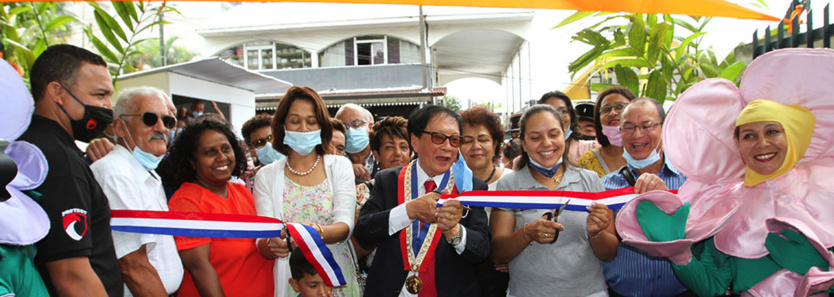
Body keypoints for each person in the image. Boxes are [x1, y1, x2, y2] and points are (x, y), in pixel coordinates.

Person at [617, 49, 834, 296]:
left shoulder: (827, 186)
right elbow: (712, 286)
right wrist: (679, 255)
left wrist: (825, 272)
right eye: (749, 136)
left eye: (772, 131)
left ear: (791, 135)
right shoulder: (724, 206)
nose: (762, 143)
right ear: (738, 145)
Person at [18, 44, 123, 296]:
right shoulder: (59, 161)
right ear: (57, 92)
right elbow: (71, 276)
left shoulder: (29, 146)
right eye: (100, 95)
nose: (108, 107)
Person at [354, 105, 491, 297]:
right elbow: (363, 232)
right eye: (438, 137)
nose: (447, 147)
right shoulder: (389, 180)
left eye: (454, 140)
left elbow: (481, 249)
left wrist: (454, 231)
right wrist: (408, 211)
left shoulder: (469, 187)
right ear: (415, 142)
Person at [490, 104, 616, 297]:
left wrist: (596, 233)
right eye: (535, 138)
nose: (546, 143)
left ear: (564, 135)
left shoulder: (589, 180)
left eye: (554, 134)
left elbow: (609, 254)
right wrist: (527, 233)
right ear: (523, 143)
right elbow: (498, 254)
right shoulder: (509, 185)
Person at [253, 86, 359, 297]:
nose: (303, 129)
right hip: (291, 281)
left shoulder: (340, 166)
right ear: (282, 125)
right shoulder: (266, 176)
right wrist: (273, 245)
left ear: (321, 126)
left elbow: (345, 226)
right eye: (295, 121)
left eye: (311, 122)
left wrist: (313, 233)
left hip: (335, 278)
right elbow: (263, 240)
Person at [159, 116, 275, 296]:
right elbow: (199, 269)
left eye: (226, 149)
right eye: (210, 152)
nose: (222, 157)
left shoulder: (241, 191)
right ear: (192, 161)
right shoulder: (186, 203)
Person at [90, 87, 184, 296]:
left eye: (168, 121)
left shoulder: (145, 173)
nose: (161, 128)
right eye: (149, 119)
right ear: (120, 127)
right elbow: (132, 266)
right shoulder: (116, 174)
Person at [598, 98, 689, 297]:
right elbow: (605, 251)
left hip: (683, 291)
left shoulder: (689, 181)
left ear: (664, 128)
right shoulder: (605, 187)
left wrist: (667, 201)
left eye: (646, 125)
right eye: (628, 127)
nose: (637, 134)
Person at [459, 106, 513, 297]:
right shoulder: (449, 185)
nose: (476, 146)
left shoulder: (512, 182)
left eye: (483, 139)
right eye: (467, 140)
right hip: (462, 279)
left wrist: (516, 257)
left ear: (495, 143)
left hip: (506, 279)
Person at [579, 86, 636, 178]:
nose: (612, 113)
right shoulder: (589, 161)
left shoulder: (652, 152)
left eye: (620, 107)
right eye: (606, 109)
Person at [538, 91, 599, 165]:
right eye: (549, 111)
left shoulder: (591, 149)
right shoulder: (533, 150)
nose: (557, 116)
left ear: (571, 116)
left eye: (562, 111)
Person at [335, 103, 377, 181]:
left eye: (356, 124)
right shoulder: (333, 159)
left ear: (370, 127)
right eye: (344, 127)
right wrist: (346, 169)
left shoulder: (382, 155)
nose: (350, 130)